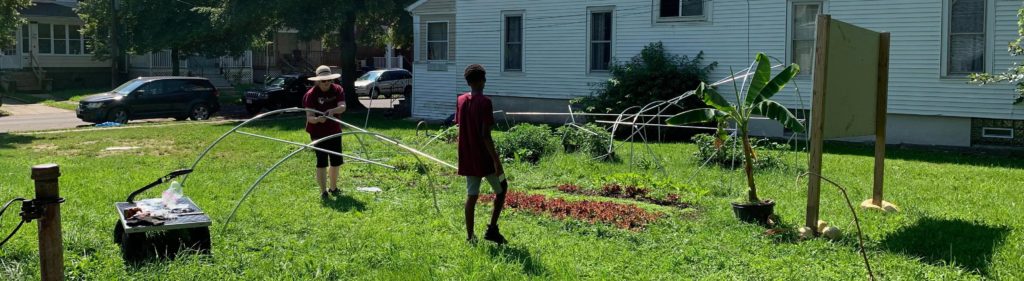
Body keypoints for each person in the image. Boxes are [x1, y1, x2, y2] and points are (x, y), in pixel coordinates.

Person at [456, 64, 508, 244]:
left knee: (472, 195)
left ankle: (470, 237)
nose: (485, 82)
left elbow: (459, 126)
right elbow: (485, 135)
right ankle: (492, 229)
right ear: (478, 81)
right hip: (484, 158)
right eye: (484, 78)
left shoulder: (461, 100)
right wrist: (496, 160)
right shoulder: (485, 102)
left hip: (468, 157)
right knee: (502, 189)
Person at [303, 65, 347, 199]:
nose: (326, 83)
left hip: (334, 130)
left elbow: (342, 107)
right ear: (317, 81)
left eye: (328, 80)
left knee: (335, 160)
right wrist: (318, 119)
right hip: (318, 132)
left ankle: (333, 187)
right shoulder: (310, 95)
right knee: (322, 161)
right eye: (323, 80)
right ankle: (323, 191)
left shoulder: (337, 89)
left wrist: (332, 111)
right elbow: (309, 117)